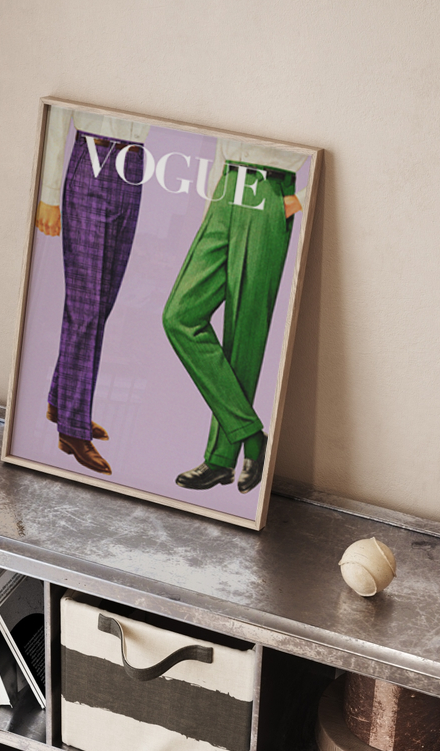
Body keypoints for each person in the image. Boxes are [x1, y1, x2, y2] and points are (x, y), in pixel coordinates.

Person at [162, 141, 308, 494]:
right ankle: (252, 436)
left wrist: (298, 199)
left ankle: (220, 460)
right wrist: (210, 208)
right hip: (225, 187)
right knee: (179, 316)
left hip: (270, 192)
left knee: (246, 332)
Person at [35, 107, 149, 475]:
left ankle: (61, 401)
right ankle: (72, 429)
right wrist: (49, 194)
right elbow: (59, 112)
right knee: (85, 307)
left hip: (135, 166)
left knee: (101, 304)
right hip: (93, 156)